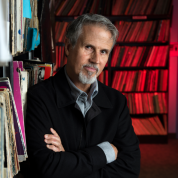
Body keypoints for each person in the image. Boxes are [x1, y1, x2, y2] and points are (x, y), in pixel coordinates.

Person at [26, 13, 140, 178]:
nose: (95, 59)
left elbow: (130, 169)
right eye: (88, 47)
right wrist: (104, 152)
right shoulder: (40, 97)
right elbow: (47, 167)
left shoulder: (117, 102)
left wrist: (67, 160)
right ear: (68, 46)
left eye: (103, 52)